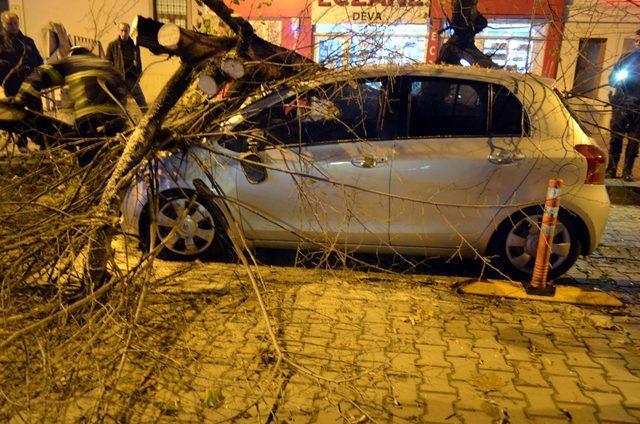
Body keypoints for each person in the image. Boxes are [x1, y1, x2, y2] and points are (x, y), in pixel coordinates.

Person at [10, 46, 130, 166]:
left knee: (88, 160)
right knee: (117, 159)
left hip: (90, 117)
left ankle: (89, 179)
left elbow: (41, 74)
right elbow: (123, 89)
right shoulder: (105, 64)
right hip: (118, 118)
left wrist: (20, 100)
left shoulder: (71, 62)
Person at [606, 29, 640, 182]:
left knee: (634, 140)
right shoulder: (626, 58)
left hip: (638, 107)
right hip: (621, 103)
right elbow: (612, 78)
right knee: (616, 137)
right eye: (637, 40)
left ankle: (627, 171)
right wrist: (617, 80)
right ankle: (611, 169)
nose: (637, 43)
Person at [106, 22, 147, 112]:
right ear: (119, 31)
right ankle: (123, 123)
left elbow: (139, 62)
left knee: (142, 103)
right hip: (120, 80)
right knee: (121, 106)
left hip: (132, 78)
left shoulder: (134, 45)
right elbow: (108, 64)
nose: (124, 33)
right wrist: (113, 79)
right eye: (122, 30)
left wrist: (139, 74)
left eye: (126, 31)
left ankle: (148, 121)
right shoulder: (112, 46)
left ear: (129, 32)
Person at [0, 11, 43, 97]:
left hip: (30, 84)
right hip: (10, 85)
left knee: (35, 109)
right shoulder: (1, 41)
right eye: (9, 24)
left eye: (15, 23)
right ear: (3, 24)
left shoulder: (28, 41)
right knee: (15, 110)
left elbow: (39, 61)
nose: (13, 26)